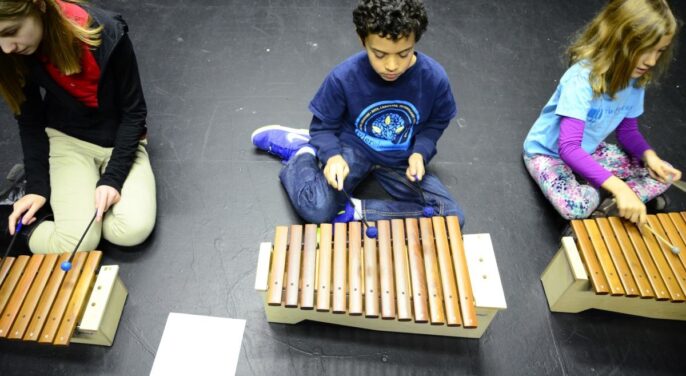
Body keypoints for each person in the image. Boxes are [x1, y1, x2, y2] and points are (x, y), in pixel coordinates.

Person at [251, 0, 464, 226]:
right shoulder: (344, 77)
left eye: (403, 54)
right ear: (362, 40)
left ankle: (360, 212)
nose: (392, 65)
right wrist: (332, 156)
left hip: (401, 160)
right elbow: (322, 127)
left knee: (451, 217)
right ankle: (301, 154)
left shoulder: (434, 78)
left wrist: (420, 152)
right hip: (354, 149)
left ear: (415, 41)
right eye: (380, 55)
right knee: (316, 209)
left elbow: (437, 122)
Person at [0, 0, 156, 254]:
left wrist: (112, 178)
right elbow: (30, 121)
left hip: (122, 140)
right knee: (78, 244)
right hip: (68, 139)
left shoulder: (107, 32)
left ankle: (69, 203)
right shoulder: (13, 52)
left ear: (39, 5)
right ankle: (9, 216)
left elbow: (134, 113)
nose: (6, 48)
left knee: (132, 231)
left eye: (11, 32)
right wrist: (37, 188)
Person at [522, 0, 681, 226]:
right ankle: (613, 198)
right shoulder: (581, 80)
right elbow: (568, 148)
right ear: (618, 40)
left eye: (660, 51)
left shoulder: (635, 81)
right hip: (549, 153)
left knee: (662, 175)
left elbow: (628, 132)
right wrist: (619, 187)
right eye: (645, 49)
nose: (652, 60)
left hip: (590, 150)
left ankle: (614, 202)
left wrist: (650, 157)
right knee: (576, 207)